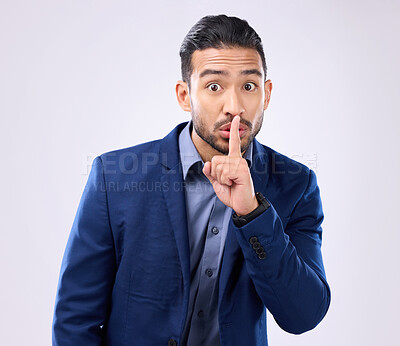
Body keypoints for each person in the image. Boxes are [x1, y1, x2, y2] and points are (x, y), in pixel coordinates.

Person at [52, 14, 331, 346]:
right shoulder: (114, 177)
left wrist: (252, 212)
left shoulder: (296, 185)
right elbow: (75, 318)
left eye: (248, 86)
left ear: (266, 94)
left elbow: (304, 315)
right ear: (185, 96)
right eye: (214, 86)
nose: (235, 106)